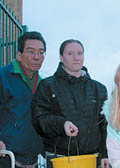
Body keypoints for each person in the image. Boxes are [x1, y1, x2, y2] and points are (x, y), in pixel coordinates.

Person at [31, 39, 109, 168]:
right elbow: (39, 120)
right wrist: (62, 124)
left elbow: (103, 125)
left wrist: (104, 154)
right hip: (60, 159)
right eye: (70, 53)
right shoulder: (47, 85)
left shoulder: (99, 88)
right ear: (61, 57)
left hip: (93, 158)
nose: (76, 57)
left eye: (79, 53)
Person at [0, 31, 46, 168]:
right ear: (19, 55)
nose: (37, 57)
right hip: (6, 157)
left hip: (33, 161)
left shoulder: (44, 85)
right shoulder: (3, 76)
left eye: (41, 52)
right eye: (31, 52)